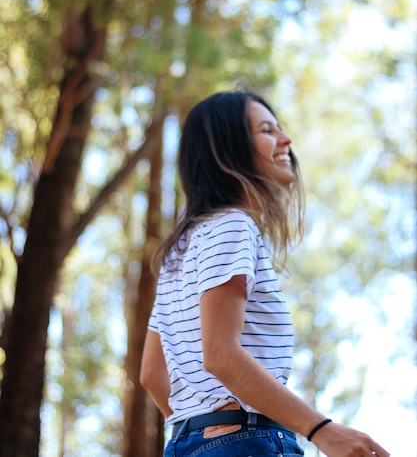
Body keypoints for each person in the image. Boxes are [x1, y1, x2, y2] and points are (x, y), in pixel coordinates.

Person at [140, 90, 390, 457]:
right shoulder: (232, 226)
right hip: (249, 442)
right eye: (268, 130)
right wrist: (321, 430)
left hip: (188, 444)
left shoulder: (181, 250)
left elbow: (150, 373)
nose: (286, 140)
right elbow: (220, 353)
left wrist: (204, 429)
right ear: (229, 146)